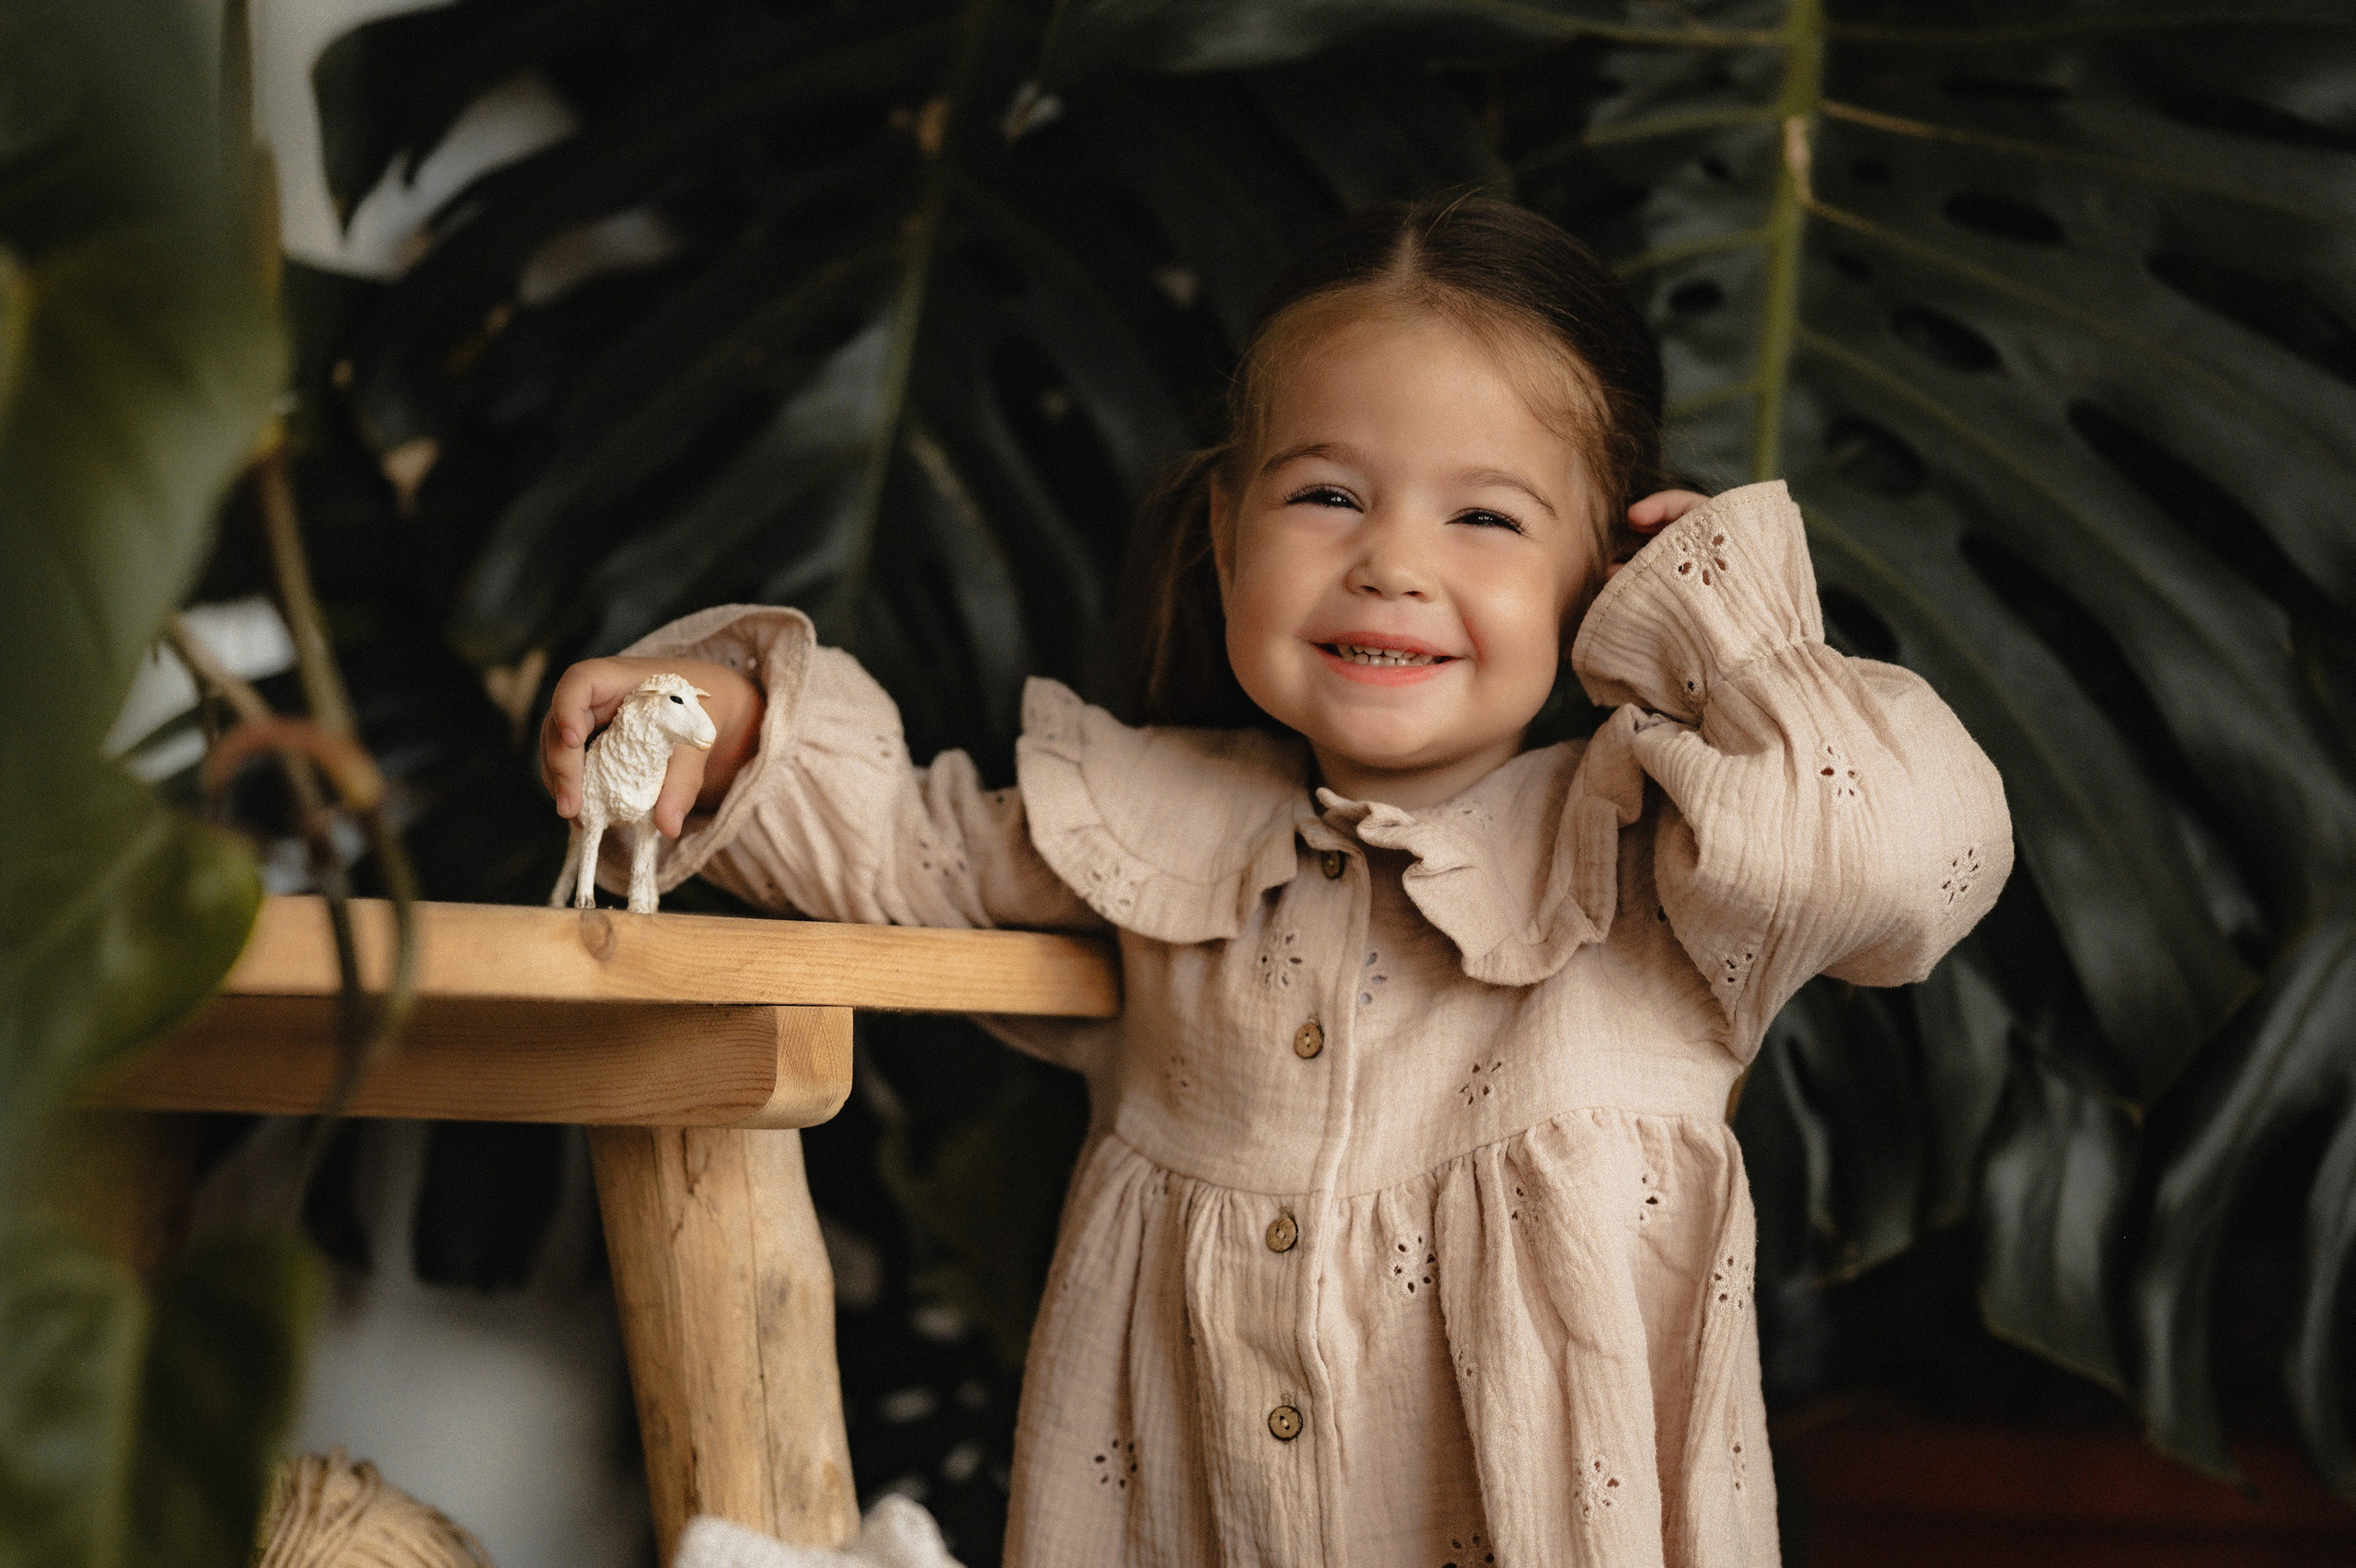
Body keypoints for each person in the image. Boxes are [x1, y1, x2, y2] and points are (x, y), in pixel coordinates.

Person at [539, 196, 2011, 1568]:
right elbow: (894, 849)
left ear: (1602, 573)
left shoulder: (1649, 856)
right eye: (1326, 494)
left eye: (1486, 517)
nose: (1390, 565)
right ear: (1225, 527)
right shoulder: (1146, 821)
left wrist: (1723, 635)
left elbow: (1894, 856)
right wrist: (714, 720)